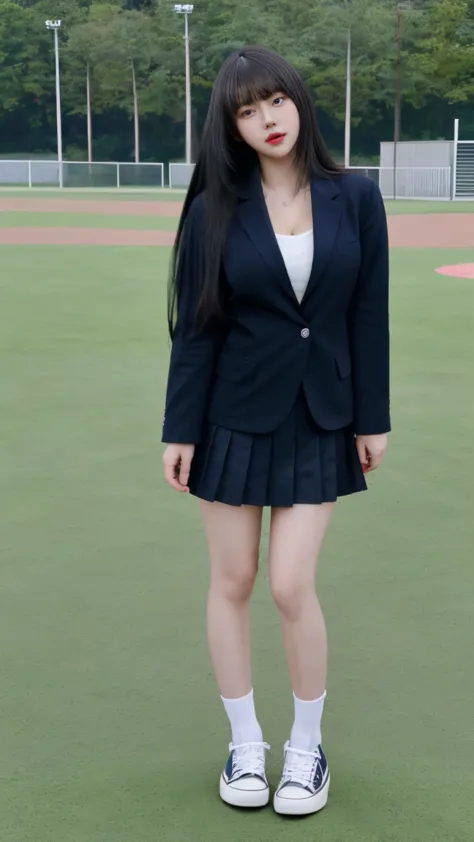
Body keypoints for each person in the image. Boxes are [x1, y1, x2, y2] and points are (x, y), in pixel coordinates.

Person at [162, 45, 390, 818]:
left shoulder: (355, 197)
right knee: (233, 581)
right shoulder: (214, 210)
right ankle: (245, 744)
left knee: (292, 585)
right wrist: (180, 430)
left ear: (298, 101)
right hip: (231, 416)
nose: (267, 119)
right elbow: (197, 329)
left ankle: (306, 749)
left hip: (321, 415)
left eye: (276, 101)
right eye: (247, 110)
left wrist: (373, 418)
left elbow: (368, 315)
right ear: (232, 127)